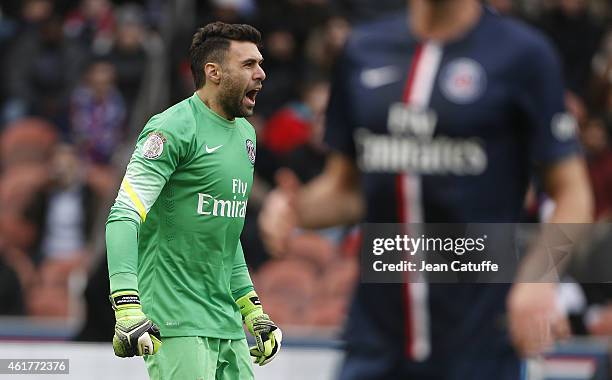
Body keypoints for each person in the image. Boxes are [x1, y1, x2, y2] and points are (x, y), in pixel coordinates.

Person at [259, 1, 593, 379]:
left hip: (480, 334)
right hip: (377, 335)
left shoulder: (523, 55)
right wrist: (294, 210)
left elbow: (573, 192)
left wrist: (540, 278)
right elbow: (346, 188)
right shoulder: (362, 51)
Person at [105, 21, 281, 380]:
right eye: (248, 64)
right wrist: (126, 304)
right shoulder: (171, 129)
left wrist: (251, 308)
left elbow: (224, 234)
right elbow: (123, 215)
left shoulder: (246, 135)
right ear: (213, 72)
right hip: (175, 318)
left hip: (226, 322)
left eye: (260, 63)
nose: (261, 74)